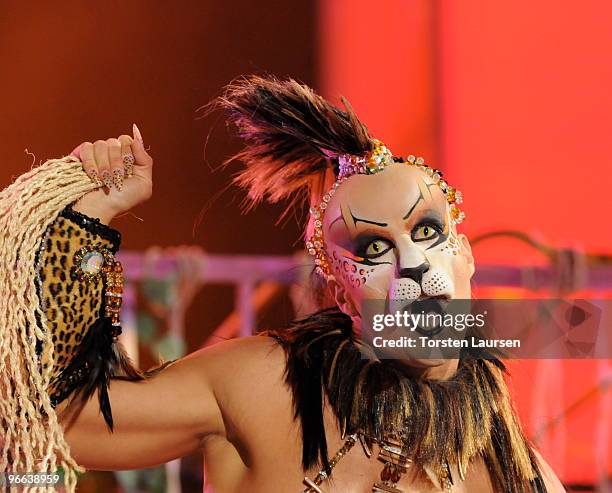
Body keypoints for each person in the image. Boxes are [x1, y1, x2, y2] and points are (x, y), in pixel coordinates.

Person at [0, 76, 565, 493]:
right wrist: (84, 231)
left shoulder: (523, 475)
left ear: (465, 256)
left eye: (429, 231)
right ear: (340, 292)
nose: (412, 265)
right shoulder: (265, 387)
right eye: (373, 248)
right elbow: (62, 424)